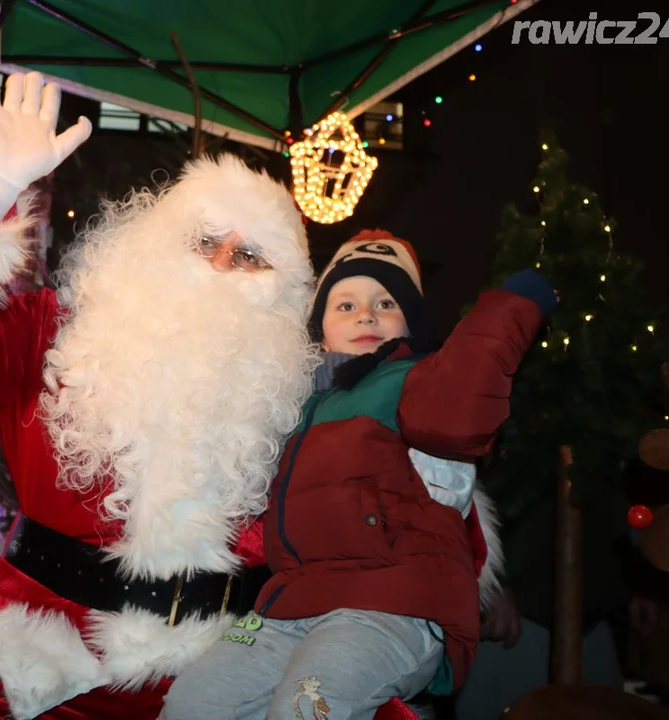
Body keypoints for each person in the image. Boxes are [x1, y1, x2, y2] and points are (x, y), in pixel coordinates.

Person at [0, 70, 321, 719]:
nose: (220, 263)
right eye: (205, 240)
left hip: (224, 664)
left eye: (251, 256)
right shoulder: (55, 336)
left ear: (286, 295)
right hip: (43, 639)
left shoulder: (300, 394)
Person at [161, 230, 557, 720]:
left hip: (392, 602)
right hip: (290, 605)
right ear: (320, 326)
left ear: (410, 322)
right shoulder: (295, 403)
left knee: (308, 706)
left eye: (385, 302)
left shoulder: (416, 380)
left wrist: (512, 306)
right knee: (194, 702)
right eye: (344, 305)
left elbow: (461, 411)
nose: (365, 314)